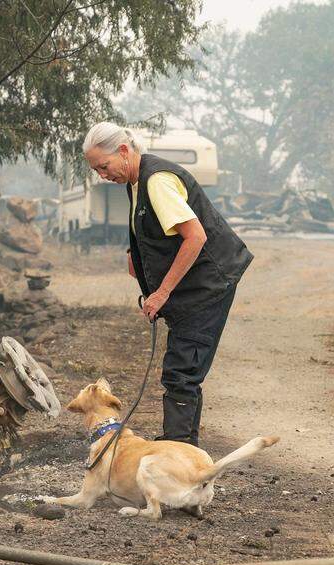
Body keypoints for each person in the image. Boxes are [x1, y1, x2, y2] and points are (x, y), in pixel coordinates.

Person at [82, 122, 252, 447]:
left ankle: (176, 456)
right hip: (195, 287)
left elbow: (195, 236)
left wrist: (161, 292)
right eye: (96, 170)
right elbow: (156, 230)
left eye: (103, 166)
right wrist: (138, 257)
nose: (102, 175)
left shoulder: (157, 180)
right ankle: (184, 451)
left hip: (207, 285)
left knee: (181, 373)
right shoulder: (135, 181)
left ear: (123, 151)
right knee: (182, 373)